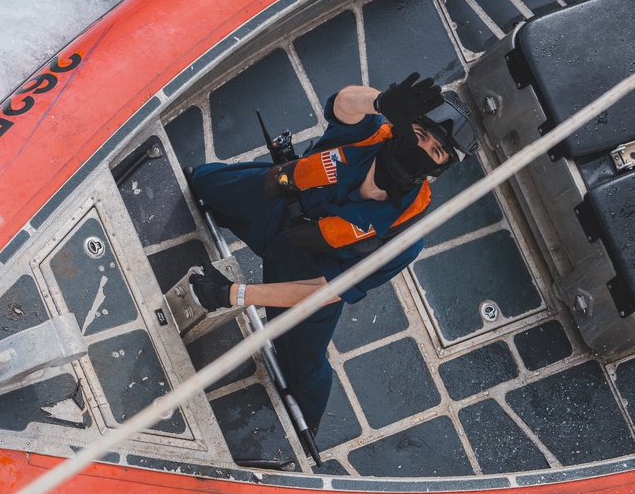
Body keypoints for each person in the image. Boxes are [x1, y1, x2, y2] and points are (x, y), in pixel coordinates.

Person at [187, 72, 477, 435]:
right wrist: (381, 102)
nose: (421, 150)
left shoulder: (405, 238)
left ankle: (308, 426)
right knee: (202, 182)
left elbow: (323, 291)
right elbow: (344, 104)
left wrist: (235, 294)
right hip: (277, 204)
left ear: (438, 168)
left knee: (302, 368)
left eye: (435, 152)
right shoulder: (366, 134)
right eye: (419, 135)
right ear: (404, 124)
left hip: (308, 273)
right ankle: (217, 196)